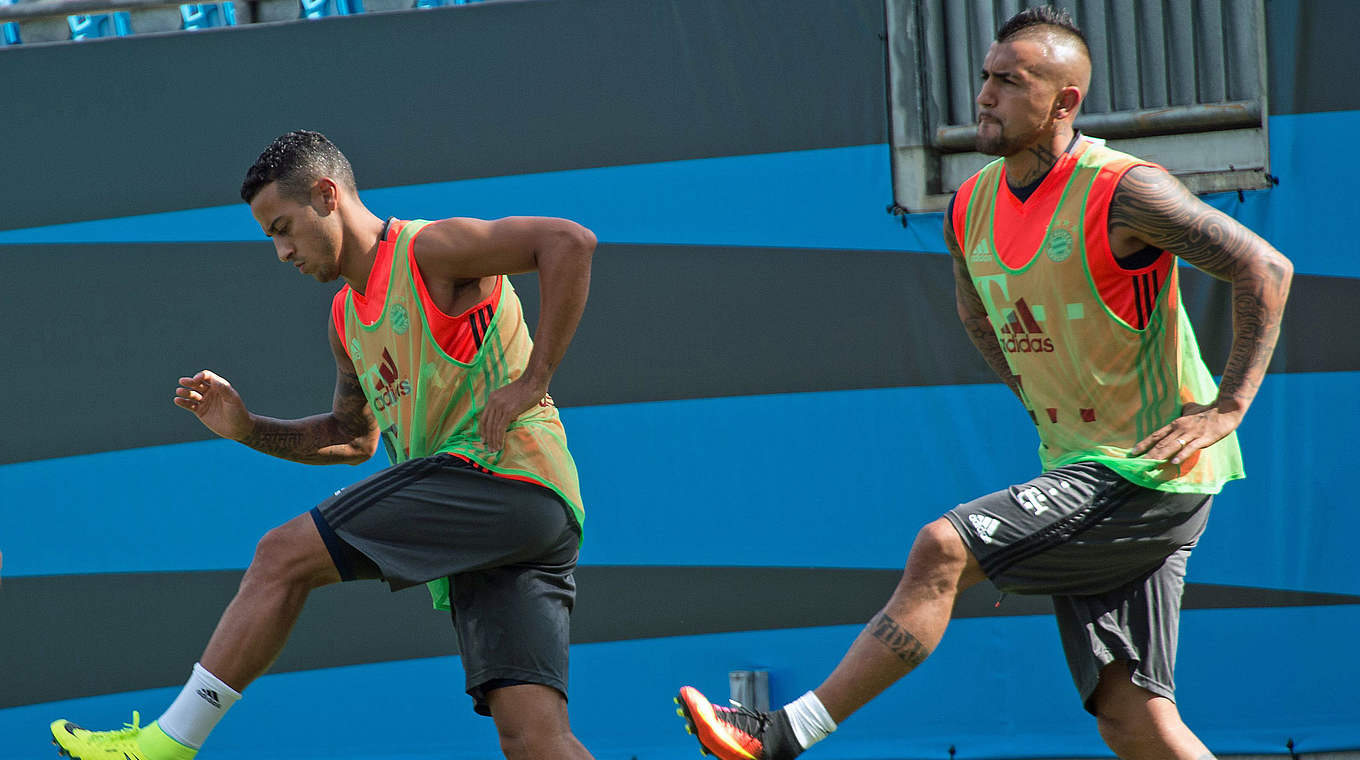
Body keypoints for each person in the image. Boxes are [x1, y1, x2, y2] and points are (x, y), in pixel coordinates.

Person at [675, 7, 1292, 760]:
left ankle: (778, 734)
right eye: (985, 77)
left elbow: (1264, 267)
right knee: (1134, 722)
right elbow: (980, 321)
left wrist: (1230, 405)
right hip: (1086, 467)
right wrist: (1044, 400)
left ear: (1064, 102)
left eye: (1010, 81)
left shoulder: (1123, 190)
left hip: (1150, 469)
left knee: (943, 547)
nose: (985, 95)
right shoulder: (970, 205)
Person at [50, 130, 598, 760]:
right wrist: (248, 427)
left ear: (327, 194)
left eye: (283, 227)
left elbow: (568, 241)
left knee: (281, 555)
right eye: (270, 238)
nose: (282, 252)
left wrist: (534, 381)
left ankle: (167, 742)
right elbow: (352, 438)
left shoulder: (429, 252)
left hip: (504, 479)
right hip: (511, 523)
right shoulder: (345, 320)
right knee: (532, 738)